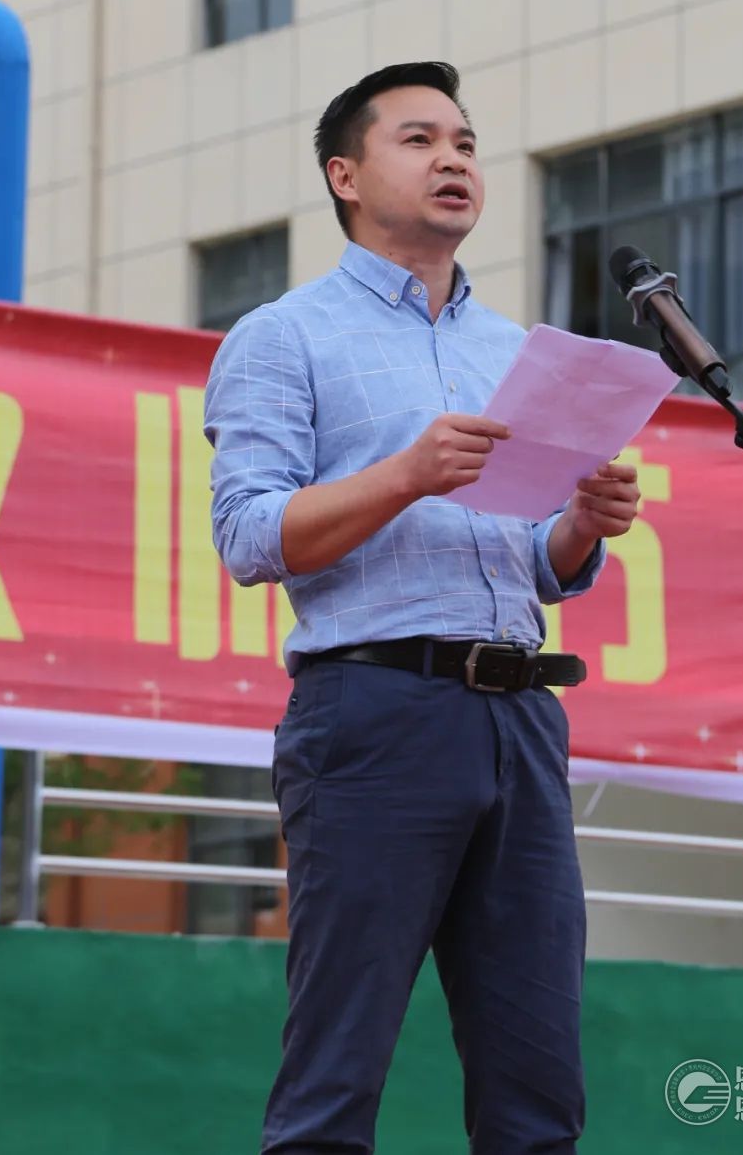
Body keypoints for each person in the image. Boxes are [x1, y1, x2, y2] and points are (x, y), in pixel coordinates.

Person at [204, 61, 641, 1155]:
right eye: (419, 140)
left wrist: (581, 525)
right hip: (375, 714)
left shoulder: (518, 353)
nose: (453, 160)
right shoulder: (285, 336)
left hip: (523, 719)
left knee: (539, 1091)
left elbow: (528, 560)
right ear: (345, 176)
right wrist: (404, 474)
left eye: (466, 143)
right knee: (334, 1082)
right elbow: (249, 536)